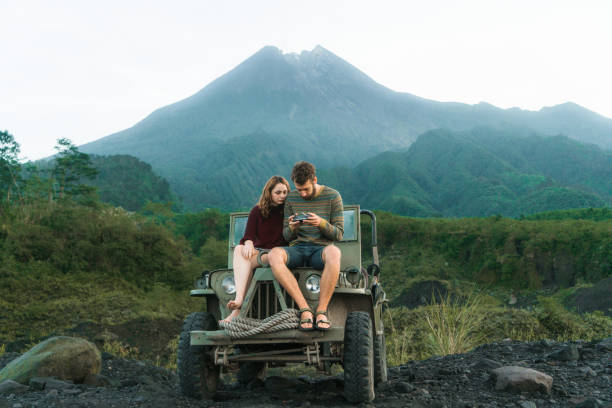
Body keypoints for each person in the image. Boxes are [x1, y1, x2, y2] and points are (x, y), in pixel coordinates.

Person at [268, 161, 344, 331]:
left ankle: (322, 311)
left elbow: (338, 234)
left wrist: (321, 223)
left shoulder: (333, 196)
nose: (302, 194)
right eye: (299, 189)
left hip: (320, 249)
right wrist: (293, 228)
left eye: (306, 189)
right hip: (297, 248)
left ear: (315, 180)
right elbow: (286, 236)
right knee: (274, 255)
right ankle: (305, 310)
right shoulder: (291, 199)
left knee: (334, 252)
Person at [221, 176, 290, 324]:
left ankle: (239, 308)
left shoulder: (289, 211)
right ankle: (238, 303)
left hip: (280, 253)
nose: (282, 196)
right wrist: (248, 242)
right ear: (269, 192)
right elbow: (248, 235)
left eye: (285, 192)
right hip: (261, 253)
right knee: (239, 249)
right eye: (278, 192)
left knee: (262, 255)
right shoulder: (257, 211)